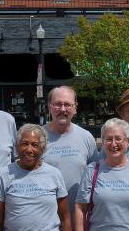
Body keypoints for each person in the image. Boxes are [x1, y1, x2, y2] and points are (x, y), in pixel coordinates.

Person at [75, 118, 129, 231]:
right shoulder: (92, 170)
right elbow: (80, 208)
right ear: (103, 142)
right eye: (109, 139)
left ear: (127, 141)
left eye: (118, 139)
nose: (113, 143)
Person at [0, 124, 72, 231]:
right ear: (17, 147)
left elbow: (65, 218)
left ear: (43, 149)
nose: (29, 150)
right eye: (24, 144)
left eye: (35, 145)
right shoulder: (3, 174)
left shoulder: (54, 174)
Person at [43, 86, 99, 220]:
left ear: (75, 108)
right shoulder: (37, 137)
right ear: (49, 107)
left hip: (79, 216)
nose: (62, 109)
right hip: (46, 218)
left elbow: (95, 176)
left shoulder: (86, 137)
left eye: (67, 104)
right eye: (57, 104)